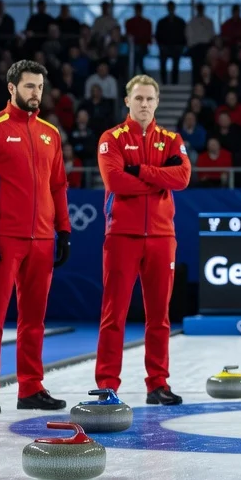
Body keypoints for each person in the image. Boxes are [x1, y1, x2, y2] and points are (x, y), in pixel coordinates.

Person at [0, 60, 71, 414]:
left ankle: (31, 388)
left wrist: (64, 230)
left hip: (42, 240)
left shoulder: (50, 133)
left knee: (34, 320)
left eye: (39, 88)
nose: (35, 93)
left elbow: (58, 185)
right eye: (29, 87)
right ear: (11, 88)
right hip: (4, 238)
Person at [96, 75, 191, 405]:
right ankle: (107, 385)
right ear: (127, 101)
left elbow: (183, 178)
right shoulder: (112, 138)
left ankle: (158, 384)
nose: (145, 104)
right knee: (114, 315)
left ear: (158, 102)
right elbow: (115, 181)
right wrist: (159, 177)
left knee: (159, 317)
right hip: (122, 235)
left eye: (150, 99)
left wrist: (143, 171)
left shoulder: (171, 138)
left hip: (162, 237)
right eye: (138, 98)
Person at [156, 1, 188, 85]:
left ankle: (174, 82)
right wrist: (161, 46)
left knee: (175, 66)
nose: (171, 9)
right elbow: (158, 35)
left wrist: (181, 46)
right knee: (163, 64)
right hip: (165, 46)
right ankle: (164, 82)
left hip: (176, 47)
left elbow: (184, 35)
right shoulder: (162, 22)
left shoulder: (180, 22)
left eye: (172, 7)